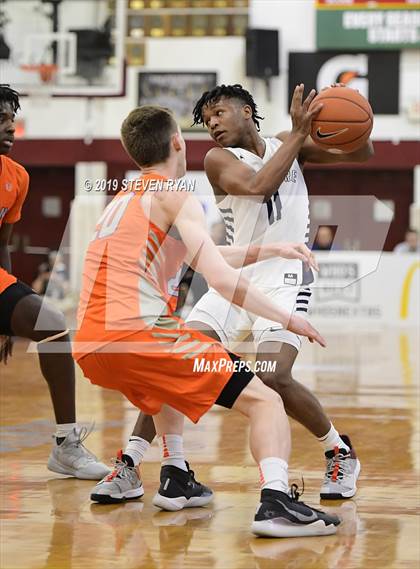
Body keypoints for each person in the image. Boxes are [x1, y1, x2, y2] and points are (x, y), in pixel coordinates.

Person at [74, 103, 340, 537]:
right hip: (142, 333)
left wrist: (271, 249)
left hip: (92, 345)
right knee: (265, 401)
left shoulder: (124, 200)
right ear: (178, 142)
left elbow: (201, 255)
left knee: (164, 384)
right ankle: (275, 501)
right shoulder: (178, 195)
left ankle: (175, 472)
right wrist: (289, 318)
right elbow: (219, 277)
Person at [114, 83, 373, 502]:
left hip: (286, 274)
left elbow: (362, 153)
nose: (212, 123)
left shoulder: (290, 145)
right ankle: (131, 462)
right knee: (174, 365)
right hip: (236, 273)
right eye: (207, 119)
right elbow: (257, 187)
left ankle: (338, 450)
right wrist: (298, 137)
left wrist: (347, 122)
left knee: (273, 375)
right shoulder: (218, 159)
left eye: (219, 112)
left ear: (248, 111)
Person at [0, 84, 109, 480]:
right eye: (1, 120)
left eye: (12, 120)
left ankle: (66, 444)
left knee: (51, 324)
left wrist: (8, 316)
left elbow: (3, 243)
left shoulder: (17, 177)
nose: (10, 128)